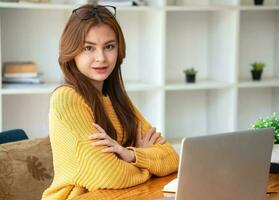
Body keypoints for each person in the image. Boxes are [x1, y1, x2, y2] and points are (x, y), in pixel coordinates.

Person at [42, 4, 179, 200]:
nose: (101, 58)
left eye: (109, 47)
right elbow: (108, 176)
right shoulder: (67, 98)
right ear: (72, 51)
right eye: (89, 48)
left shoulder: (116, 98)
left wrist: (130, 154)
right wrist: (147, 161)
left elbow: (172, 158)